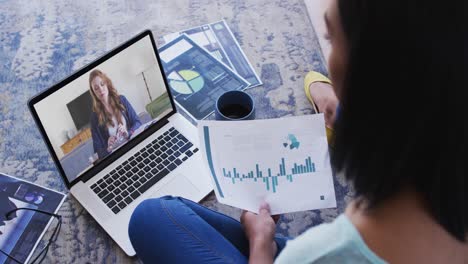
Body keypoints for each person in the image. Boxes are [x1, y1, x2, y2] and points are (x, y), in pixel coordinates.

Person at [128, 0, 468, 263]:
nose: (328, 56)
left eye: (330, 39)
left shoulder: (318, 253)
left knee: (150, 218)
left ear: (369, 77)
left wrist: (261, 246)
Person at [89, 69, 142, 160]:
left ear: (107, 83)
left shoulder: (122, 100)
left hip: (134, 147)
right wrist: (108, 146)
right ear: (94, 93)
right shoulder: (94, 118)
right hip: (117, 157)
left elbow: (138, 123)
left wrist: (127, 133)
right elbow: (97, 151)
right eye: (96, 88)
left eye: (102, 84)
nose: (101, 89)